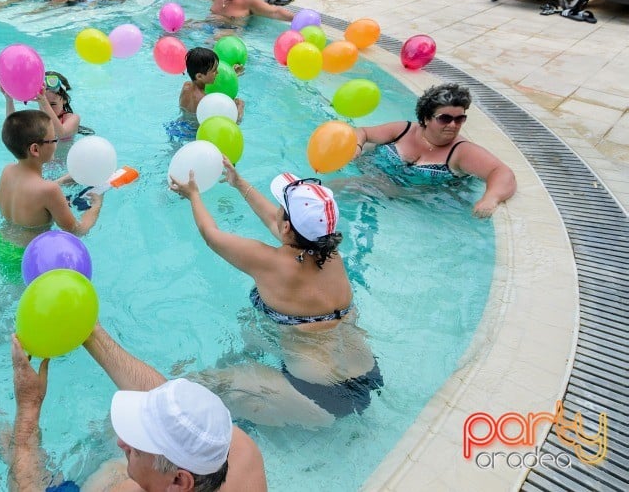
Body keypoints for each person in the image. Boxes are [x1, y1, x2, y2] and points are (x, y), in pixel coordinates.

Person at [168, 165, 383, 427]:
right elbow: (276, 222)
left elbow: (212, 236)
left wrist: (194, 196)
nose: (276, 210)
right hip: (366, 375)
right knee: (256, 329)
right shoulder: (331, 253)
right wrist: (239, 182)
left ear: (288, 228)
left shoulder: (270, 262)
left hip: (316, 394)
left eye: (281, 206)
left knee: (193, 387)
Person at [2, 323, 268, 491]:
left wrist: (29, 407)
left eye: (138, 449)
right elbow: (170, 406)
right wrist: (89, 331)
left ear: (179, 481)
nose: (123, 442)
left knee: (1, 436)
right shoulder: (239, 451)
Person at [353, 83, 517, 218]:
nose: (453, 125)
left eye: (460, 119)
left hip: (411, 205)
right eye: (445, 118)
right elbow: (362, 132)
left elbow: (502, 171)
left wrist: (491, 198)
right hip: (371, 182)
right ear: (426, 118)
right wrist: (357, 147)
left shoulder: (461, 151)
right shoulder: (404, 130)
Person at [0, 109, 103, 247]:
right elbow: (77, 231)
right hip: (25, 254)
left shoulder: (7, 171)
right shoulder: (48, 190)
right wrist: (96, 205)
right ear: (35, 149)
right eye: (54, 139)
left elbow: (32, 192)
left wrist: (63, 180)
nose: (56, 144)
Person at [3, 71, 81, 140]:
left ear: (64, 100)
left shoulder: (72, 118)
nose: (48, 109)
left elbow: (61, 134)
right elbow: (12, 131)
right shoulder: (37, 120)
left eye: (53, 104)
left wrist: (44, 102)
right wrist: (9, 99)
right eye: (42, 102)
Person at [180, 48, 244, 123]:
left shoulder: (186, 86)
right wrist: (240, 106)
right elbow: (234, 121)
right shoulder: (205, 100)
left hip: (178, 125)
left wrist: (231, 75)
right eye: (214, 70)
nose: (217, 73)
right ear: (199, 76)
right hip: (193, 132)